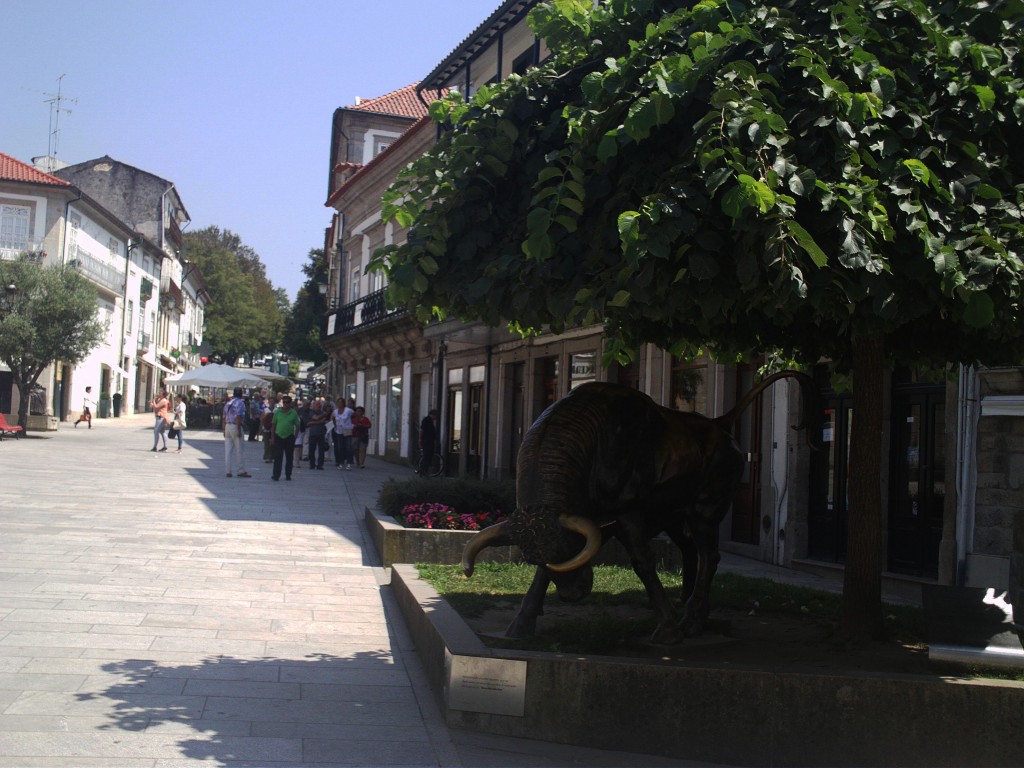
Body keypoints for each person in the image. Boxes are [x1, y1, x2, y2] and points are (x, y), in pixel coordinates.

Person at [270, 395, 302, 481]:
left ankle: (288, 474)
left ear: (290, 403)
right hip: (279, 437)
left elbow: (298, 425)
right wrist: (272, 437)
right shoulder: (278, 412)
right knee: (278, 457)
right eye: (284, 402)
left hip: (289, 437)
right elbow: (273, 425)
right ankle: (276, 475)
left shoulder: (293, 413)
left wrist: (294, 437)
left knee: (289, 457)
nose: (285, 404)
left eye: (287, 402)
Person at [222, 387, 251, 478]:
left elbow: (223, 417)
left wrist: (224, 429)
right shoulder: (240, 403)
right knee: (239, 450)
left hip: (227, 426)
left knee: (228, 450)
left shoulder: (228, 403)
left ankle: (228, 471)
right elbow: (238, 416)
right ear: (241, 394)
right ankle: (240, 470)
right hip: (235, 426)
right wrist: (238, 430)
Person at [304, 398, 329, 470]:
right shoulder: (311, 412)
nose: (318, 406)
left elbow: (322, 421)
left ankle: (320, 465)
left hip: (321, 433)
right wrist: (321, 417)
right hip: (313, 434)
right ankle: (312, 464)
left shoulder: (322, 412)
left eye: (319, 405)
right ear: (314, 406)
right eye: (317, 405)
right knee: (311, 450)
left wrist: (312, 423)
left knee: (321, 450)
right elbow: (316, 418)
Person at [333, 398, 355, 470]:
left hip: (347, 430)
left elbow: (354, 415)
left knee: (348, 447)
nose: (340, 404)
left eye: (341, 402)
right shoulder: (335, 411)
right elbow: (333, 418)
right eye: (338, 402)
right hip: (339, 430)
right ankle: (341, 463)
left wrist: (352, 424)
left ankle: (349, 463)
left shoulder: (348, 410)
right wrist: (335, 425)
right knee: (340, 447)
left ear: (344, 403)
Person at [419, 409, 439, 476]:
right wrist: (420, 439)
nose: (436, 417)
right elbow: (422, 430)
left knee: (428, 457)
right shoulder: (426, 420)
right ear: (432, 415)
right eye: (436, 415)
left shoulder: (430, 421)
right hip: (427, 442)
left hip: (430, 441)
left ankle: (424, 471)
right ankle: (424, 472)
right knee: (427, 457)